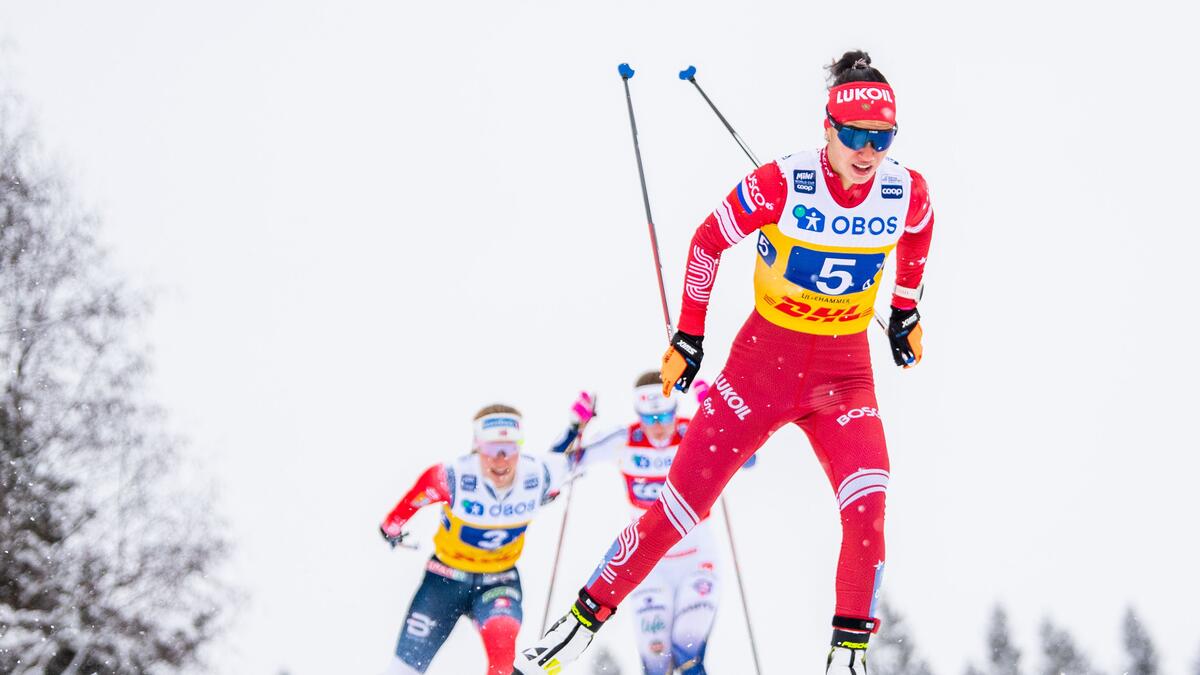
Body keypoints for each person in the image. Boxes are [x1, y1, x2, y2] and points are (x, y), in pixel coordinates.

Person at [513, 50, 933, 675]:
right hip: (763, 369)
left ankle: (848, 656)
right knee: (679, 509)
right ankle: (578, 624)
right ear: (828, 128)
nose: (867, 151)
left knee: (868, 502)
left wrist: (904, 310)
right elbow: (708, 242)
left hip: (844, 375)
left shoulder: (904, 190)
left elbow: (920, 231)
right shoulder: (784, 182)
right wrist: (689, 336)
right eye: (854, 136)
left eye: (882, 137)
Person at [379, 398, 594, 675]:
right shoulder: (451, 476)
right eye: (491, 448)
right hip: (445, 578)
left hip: (499, 581)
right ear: (477, 446)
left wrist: (576, 426)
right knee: (404, 668)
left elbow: (567, 458)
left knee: (503, 662)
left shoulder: (538, 474)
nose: (500, 459)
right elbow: (405, 507)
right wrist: (391, 529)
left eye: (509, 448)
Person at [572, 371, 723, 675]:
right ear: (638, 414)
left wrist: (717, 418)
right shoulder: (625, 440)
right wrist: (575, 428)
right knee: (656, 663)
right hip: (649, 568)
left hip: (697, 560)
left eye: (664, 416)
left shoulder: (695, 432)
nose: (658, 427)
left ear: (675, 409)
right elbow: (567, 464)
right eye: (649, 418)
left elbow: (749, 460)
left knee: (688, 651)